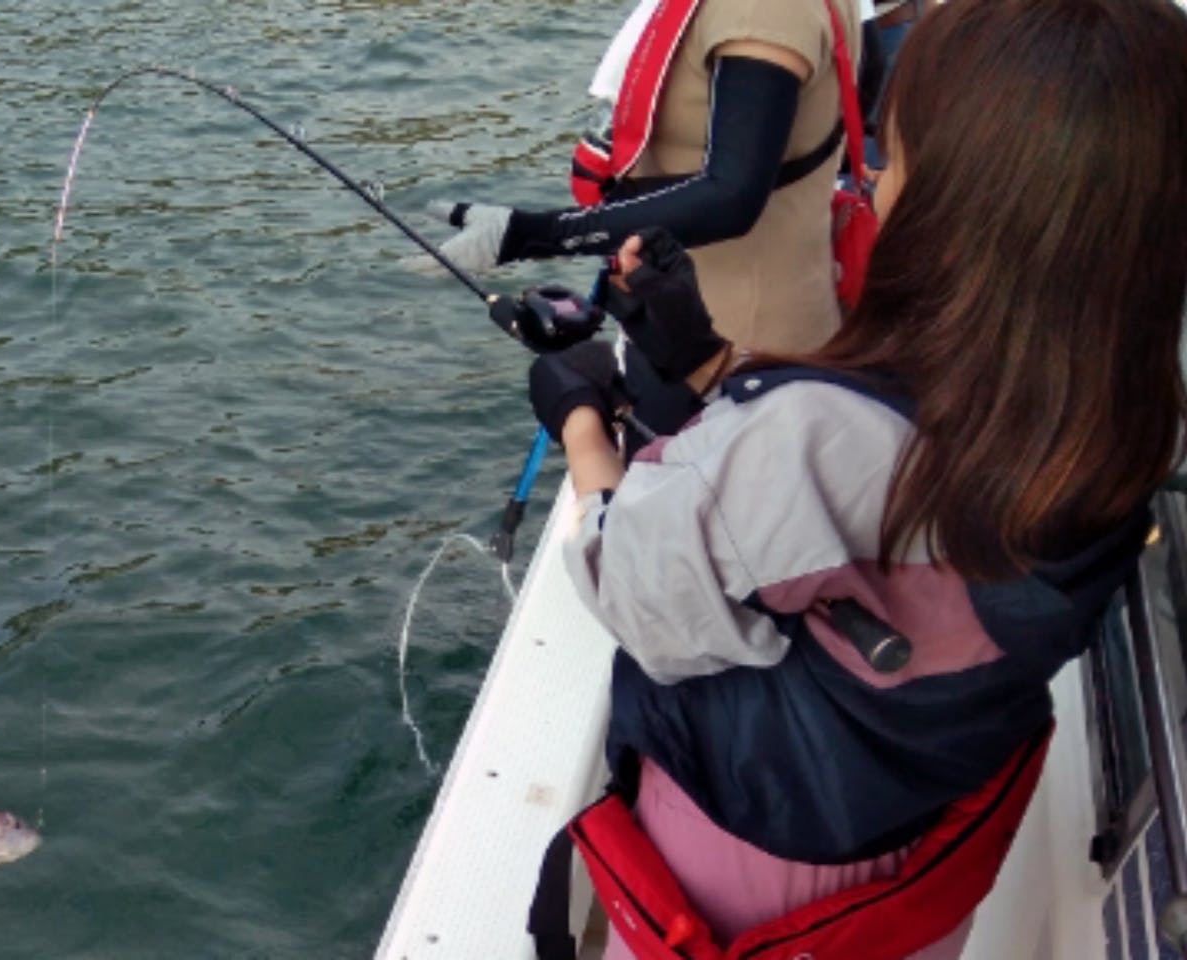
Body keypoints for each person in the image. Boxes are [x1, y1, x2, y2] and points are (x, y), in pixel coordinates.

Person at [522, 0, 1187, 955]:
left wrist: (583, 423)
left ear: (961, 203)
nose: (872, 182)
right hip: (924, 842)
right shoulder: (1133, 413)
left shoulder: (812, 437)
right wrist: (724, 374)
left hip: (758, 864)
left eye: (898, 158)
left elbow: (639, 589)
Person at [415, 0, 864, 435]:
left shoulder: (761, 11)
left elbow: (732, 197)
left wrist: (533, 235)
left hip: (733, 349)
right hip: (694, 322)